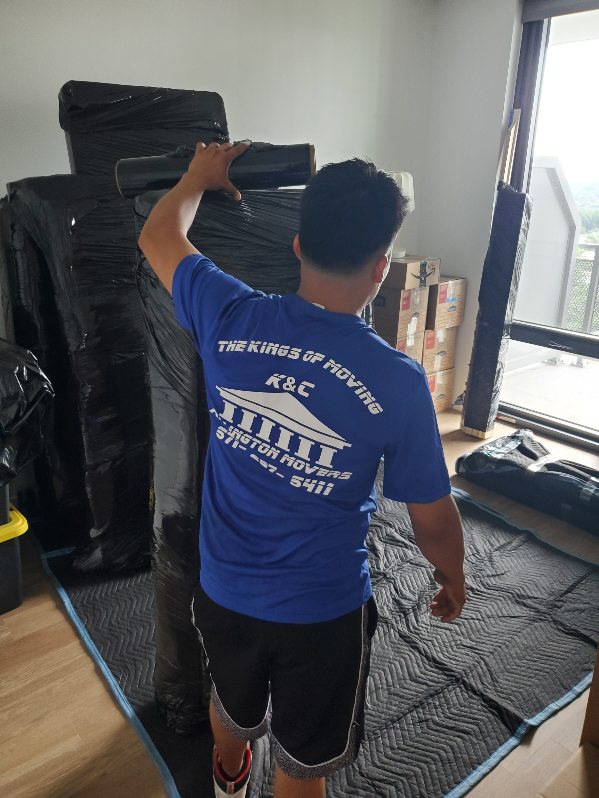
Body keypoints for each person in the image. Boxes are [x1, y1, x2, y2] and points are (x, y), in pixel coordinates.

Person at [139, 143, 466, 798]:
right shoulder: (398, 382)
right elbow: (432, 520)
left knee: (230, 706)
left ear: (296, 246)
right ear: (380, 269)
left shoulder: (229, 313)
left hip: (223, 591)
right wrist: (452, 575)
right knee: (301, 762)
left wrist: (198, 176)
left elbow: (158, 235)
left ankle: (229, 776)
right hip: (322, 616)